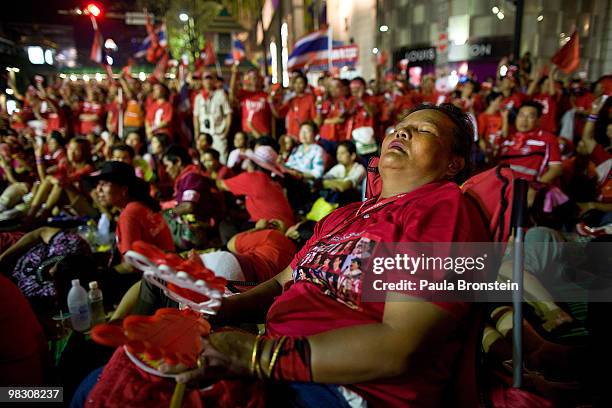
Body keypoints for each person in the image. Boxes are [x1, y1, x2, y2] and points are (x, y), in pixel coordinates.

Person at [85, 103, 489, 407]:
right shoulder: (345, 215)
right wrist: (221, 309)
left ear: (454, 163)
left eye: (423, 131)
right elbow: (284, 281)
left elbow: (401, 346)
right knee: (110, 374)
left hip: (348, 389)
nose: (401, 133)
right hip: (277, 358)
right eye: (399, 127)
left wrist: (256, 355)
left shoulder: (444, 210)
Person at [218, 145, 294, 230]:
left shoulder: (253, 178)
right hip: (285, 226)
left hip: (272, 230)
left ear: (252, 164)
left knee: (225, 226)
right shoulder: (272, 182)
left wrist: (218, 172)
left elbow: (221, 185)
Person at [161, 145, 222, 250]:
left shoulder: (192, 177)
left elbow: (189, 206)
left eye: (167, 165)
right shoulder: (186, 177)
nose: (166, 170)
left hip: (196, 233)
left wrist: (170, 213)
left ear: (178, 161)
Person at [27, 137, 96, 222]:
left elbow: (66, 181)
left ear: (84, 152)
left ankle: (41, 218)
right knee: (49, 182)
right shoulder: (65, 163)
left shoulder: (88, 168)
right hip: (67, 202)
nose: (71, 152)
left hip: (84, 205)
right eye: (70, 149)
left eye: (76, 150)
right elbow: (44, 178)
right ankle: (31, 215)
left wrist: (52, 179)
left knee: (60, 184)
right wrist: (39, 157)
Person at [499, 101, 563, 185]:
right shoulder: (509, 136)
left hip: (527, 188)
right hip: (502, 185)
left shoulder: (547, 138)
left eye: (530, 117)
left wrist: (536, 188)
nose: (524, 120)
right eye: (521, 115)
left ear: (539, 120)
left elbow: (556, 169)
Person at [193, 71, 232, 163]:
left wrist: (226, 131)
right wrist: (197, 134)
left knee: (221, 158)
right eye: (205, 79)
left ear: (214, 81)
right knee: (204, 159)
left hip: (218, 133)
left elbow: (228, 113)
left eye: (210, 78)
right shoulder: (198, 97)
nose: (208, 81)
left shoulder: (221, 94)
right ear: (202, 81)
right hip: (204, 134)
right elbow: (196, 117)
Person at [270, 71, 317, 140]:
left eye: (300, 83)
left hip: (305, 136)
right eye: (296, 83)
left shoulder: (310, 98)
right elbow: (279, 114)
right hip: (291, 135)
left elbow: (315, 118)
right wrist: (271, 103)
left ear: (305, 85)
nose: (298, 85)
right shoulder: (291, 100)